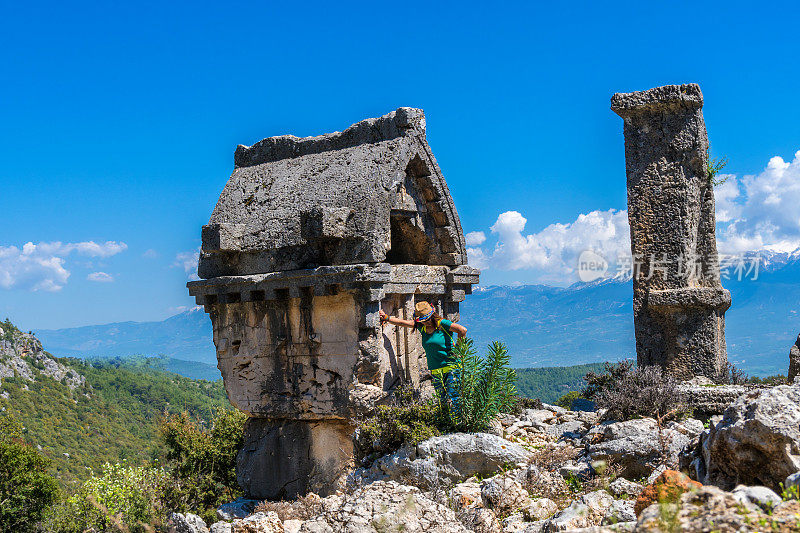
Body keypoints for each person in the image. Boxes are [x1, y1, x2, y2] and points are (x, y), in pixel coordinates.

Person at [379, 301, 467, 410]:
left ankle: (458, 424)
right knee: (442, 401)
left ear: (432, 315)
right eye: (422, 320)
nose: (426, 322)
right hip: (436, 370)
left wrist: (458, 350)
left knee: (454, 399)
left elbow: (462, 330)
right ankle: (446, 424)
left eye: (427, 319)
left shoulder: (442, 324)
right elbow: (402, 323)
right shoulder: (422, 328)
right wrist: (386, 318)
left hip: (451, 367)